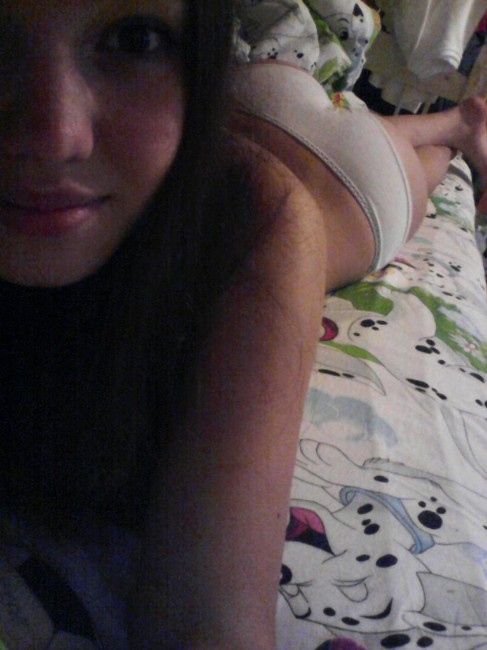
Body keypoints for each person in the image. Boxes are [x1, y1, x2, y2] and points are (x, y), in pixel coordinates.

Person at [0, 2, 487, 650]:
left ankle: (457, 132)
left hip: (351, 179)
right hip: (271, 97)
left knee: (421, 171)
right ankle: (452, 124)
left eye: (134, 37)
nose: (54, 137)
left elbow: (208, 622)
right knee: (387, 141)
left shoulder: (268, 223)